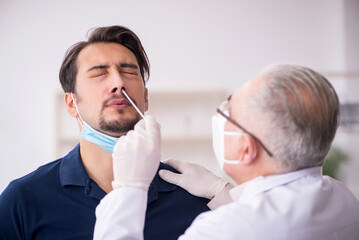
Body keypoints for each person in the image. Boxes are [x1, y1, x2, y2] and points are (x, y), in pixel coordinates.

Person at [94, 64, 359, 240]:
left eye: (229, 112)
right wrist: (222, 192)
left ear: (246, 149)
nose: (221, 117)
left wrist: (130, 189)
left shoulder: (220, 231)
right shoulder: (344, 200)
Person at [0, 25, 212, 240]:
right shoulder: (23, 201)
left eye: (128, 72)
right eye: (99, 73)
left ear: (146, 98)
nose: (119, 83)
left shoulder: (194, 198)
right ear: (72, 103)